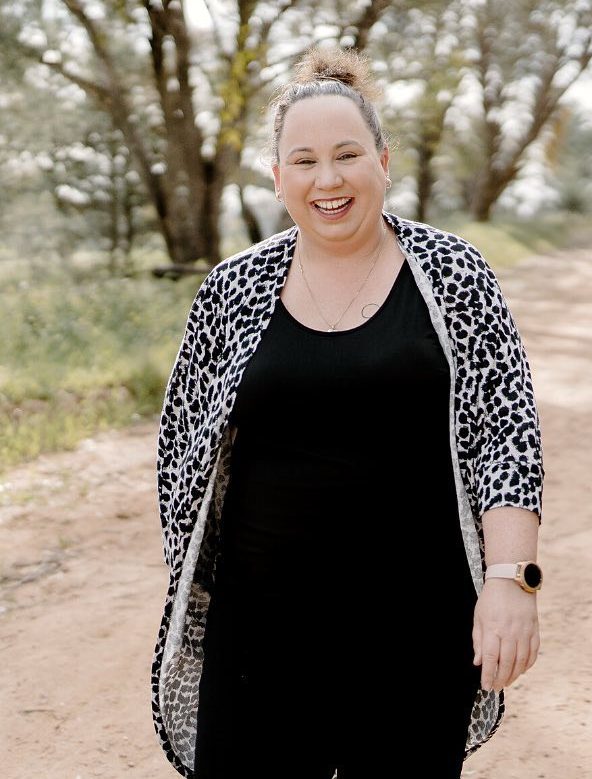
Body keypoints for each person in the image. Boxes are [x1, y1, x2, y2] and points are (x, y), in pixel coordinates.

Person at [150, 47, 544, 778]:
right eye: (303, 161)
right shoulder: (231, 290)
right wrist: (198, 593)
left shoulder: (454, 275)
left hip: (416, 636)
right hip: (259, 640)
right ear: (277, 177)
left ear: (383, 161)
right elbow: (182, 454)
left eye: (346, 155)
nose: (327, 179)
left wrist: (509, 581)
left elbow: (507, 440)